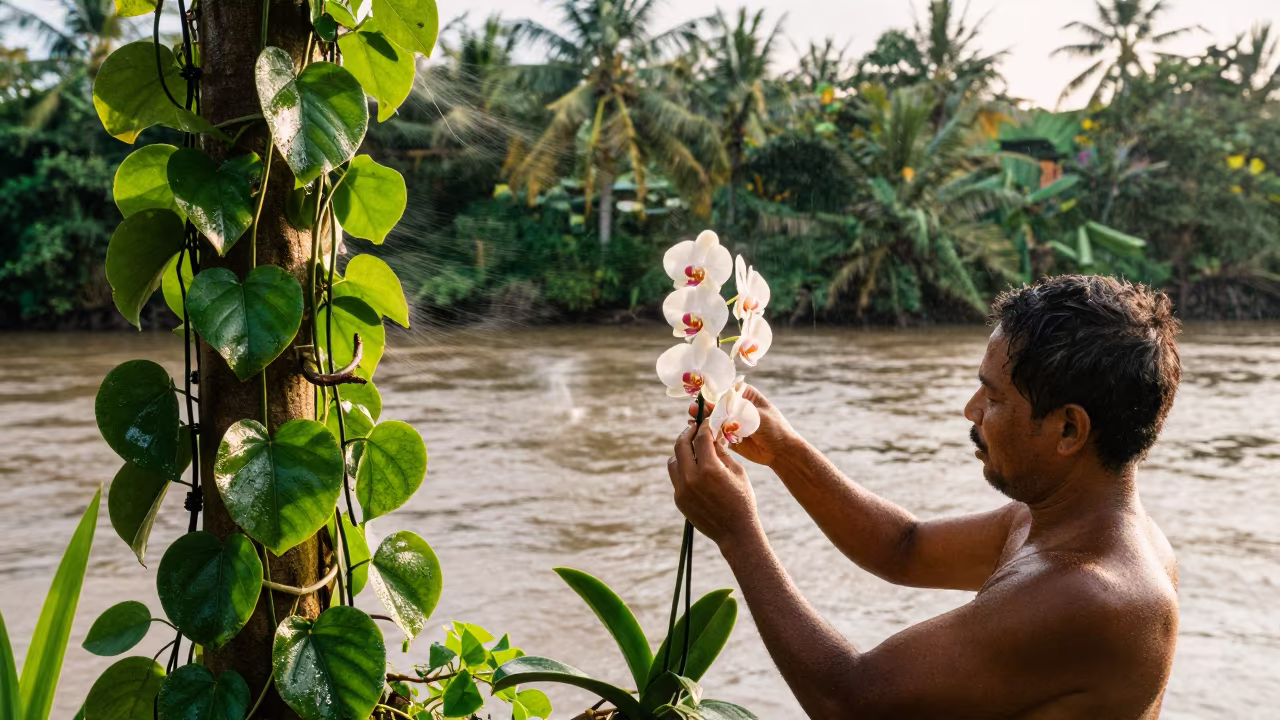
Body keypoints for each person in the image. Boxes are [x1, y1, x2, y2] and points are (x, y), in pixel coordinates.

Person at [668, 275, 1182, 719]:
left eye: (994, 397)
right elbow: (903, 547)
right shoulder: (1053, 521)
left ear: (1068, 429)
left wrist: (737, 533)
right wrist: (786, 451)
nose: (971, 410)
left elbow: (850, 702)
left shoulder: (1093, 596)